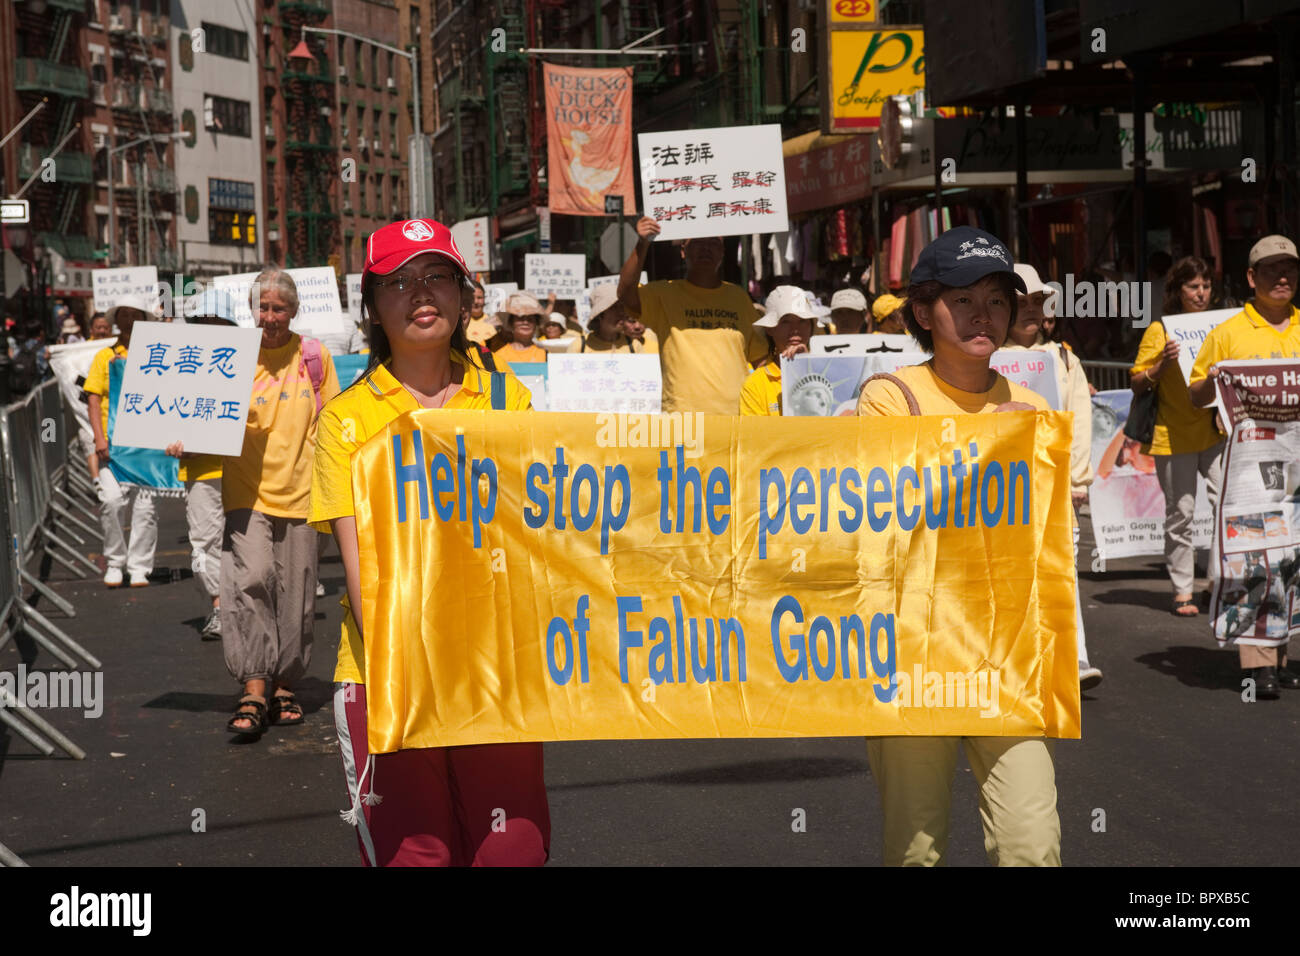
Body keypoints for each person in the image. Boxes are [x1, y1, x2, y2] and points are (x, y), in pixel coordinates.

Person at [310, 218, 549, 867]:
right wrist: (409, 664)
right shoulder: (346, 421)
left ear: (465, 295)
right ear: (372, 305)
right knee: (419, 854)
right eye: (400, 282)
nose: (422, 293)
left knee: (512, 849)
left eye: (438, 276)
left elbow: (539, 539)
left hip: (498, 671)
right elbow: (359, 565)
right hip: (391, 678)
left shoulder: (510, 400)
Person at [856, 226, 1061, 867]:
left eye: (997, 301)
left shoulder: (1030, 405)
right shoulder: (891, 397)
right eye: (963, 300)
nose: (984, 316)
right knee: (917, 850)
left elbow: (1049, 534)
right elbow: (886, 511)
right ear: (923, 311)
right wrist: (983, 447)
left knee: (1033, 846)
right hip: (912, 650)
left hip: (1006, 652)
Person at [207, 268, 340, 737]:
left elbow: (333, 423)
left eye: (278, 308)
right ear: (251, 311)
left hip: (304, 492)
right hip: (247, 492)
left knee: (297, 592)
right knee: (251, 579)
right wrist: (182, 437)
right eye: (262, 308)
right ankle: (255, 684)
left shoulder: (314, 356)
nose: (269, 317)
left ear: (294, 310)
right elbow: (203, 412)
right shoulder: (232, 358)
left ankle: (285, 683)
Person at [1189, 235, 1300, 698]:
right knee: (1255, 558)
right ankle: (1258, 665)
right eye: (1272, 269)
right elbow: (1195, 395)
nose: (1283, 277)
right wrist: (1212, 383)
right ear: (1251, 278)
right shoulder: (1227, 333)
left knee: (1291, 560)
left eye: (1290, 268)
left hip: (1295, 472)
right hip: (1248, 474)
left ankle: (1281, 652)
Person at [1008, 264, 1101, 690]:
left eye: (1037, 301)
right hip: (997, 488)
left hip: (1053, 483)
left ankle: (1074, 657)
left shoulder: (1064, 358)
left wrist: (1078, 479)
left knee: (1061, 569)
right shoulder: (977, 358)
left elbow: (1079, 420)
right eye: (1019, 300)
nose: (1030, 310)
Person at [1130, 255, 1224, 619]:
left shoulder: (1219, 327)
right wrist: (1162, 364)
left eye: (1206, 286)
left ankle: (1218, 581)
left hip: (1215, 432)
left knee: (1227, 508)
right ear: (1177, 291)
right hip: (1173, 437)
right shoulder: (1160, 330)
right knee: (1181, 516)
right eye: (1192, 287)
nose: (1201, 293)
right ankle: (1183, 590)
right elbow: (1137, 382)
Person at [617, 216, 758, 414]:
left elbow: (760, 356)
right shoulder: (662, 294)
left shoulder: (739, 297)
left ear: (723, 252)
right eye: (698, 242)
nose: (706, 248)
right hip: (682, 421)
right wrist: (642, 244)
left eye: (713, 243)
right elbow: (625, 293)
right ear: (683, 251)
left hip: (738, 417)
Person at [163, 290, 241, 639]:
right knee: (206, 542)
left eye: (216, 320)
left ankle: (248, 606)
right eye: (203, 320)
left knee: (247, 541)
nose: (209, 326)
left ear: (229, 324)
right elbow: (163, 409)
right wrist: (173, 440)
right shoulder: (181, 364)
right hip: (201, 471)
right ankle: (219, 608)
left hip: (245, 467)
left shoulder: (249, 362)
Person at [83, 294, 159, 588]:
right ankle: (115, 561)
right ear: (117, 319)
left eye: (134, 313)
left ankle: (139, 566)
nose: (129, 319)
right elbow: (93, 398)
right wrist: (99, 437)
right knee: (111, 501)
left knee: (145, 508)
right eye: (123, 314)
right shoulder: (105, 356)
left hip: (147, 446)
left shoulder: (157, 352)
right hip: (113, 445)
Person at [740, 286, 821, 416]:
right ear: (769, 329)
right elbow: (755, 435)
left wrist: (806, 368)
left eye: (802, 321)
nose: (795, 329)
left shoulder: (827, 371)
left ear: (811, 327)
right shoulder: (755, 385)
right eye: (786, 322)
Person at [567, 285, 650, 353]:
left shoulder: (634, 345)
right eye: (614, 308)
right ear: (600, 314)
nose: (621, 312)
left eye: (622, 307)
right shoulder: (580, 346)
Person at [491, 292, 549, 371]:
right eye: (520, 318)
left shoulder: (546, 353)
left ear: (536, 324)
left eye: (530, 319)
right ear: (511, 323)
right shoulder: (499, 355)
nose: (525, 322)